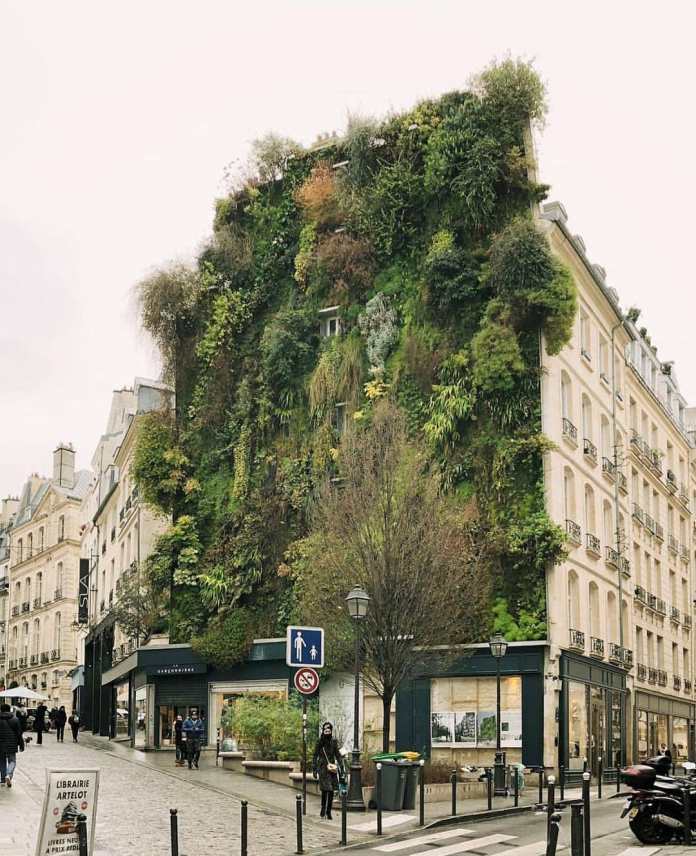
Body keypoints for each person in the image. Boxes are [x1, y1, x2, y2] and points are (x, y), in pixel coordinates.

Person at [312, 721, 344, 820]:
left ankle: (328, 811)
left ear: (331, 730)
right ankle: (323, 809)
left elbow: (337, 755)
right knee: (325, 790)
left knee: (330, 791)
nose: (327, 732)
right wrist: (314, 769)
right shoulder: (319, 742)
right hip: (322, 768)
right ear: (323, 730)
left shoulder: (333, 742)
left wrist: (341, 767)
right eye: (325, 730)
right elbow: (315, 755)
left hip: (331, 768)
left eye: (329, 730)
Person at [0, 703, 24, 788]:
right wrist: (21, 745)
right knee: (12, 761)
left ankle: (2, 780)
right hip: (12, 744)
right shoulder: (15, 719)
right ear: (9, 709)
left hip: (1, 744)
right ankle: (9, 775)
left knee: (2, 762)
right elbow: (19, 733)